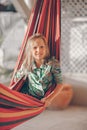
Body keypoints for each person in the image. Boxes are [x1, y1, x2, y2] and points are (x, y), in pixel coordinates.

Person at [14, 33, 73, 109]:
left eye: (41, 47)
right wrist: (23, 69)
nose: (39, 50)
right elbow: (16, 79)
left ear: (46, 48)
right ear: (30, 51)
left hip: (44, 98)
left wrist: (49, 99)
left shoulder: (53, 64)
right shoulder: (27, 65)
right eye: (35, 48)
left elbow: (60, 83)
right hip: (28, 97)